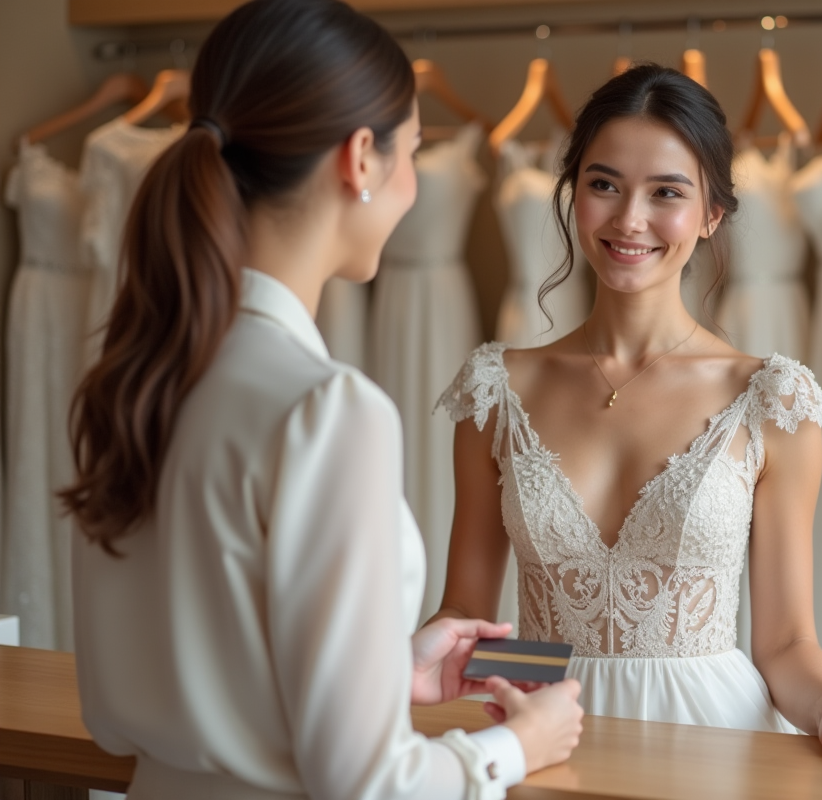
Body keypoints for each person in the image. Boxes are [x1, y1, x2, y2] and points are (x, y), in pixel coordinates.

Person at [60, 1, 582, 798]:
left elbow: (173, 663)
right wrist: (518, 746)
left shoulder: (135, 379)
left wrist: (379, 666)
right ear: (360, 158)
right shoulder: (327, 410)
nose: (410, 182)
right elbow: (367, 784)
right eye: (412, 150)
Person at [435, 64, 822, 767]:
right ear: (574, 195)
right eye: (604, 184)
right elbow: (466, 617)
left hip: (713, 744)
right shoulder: (496, 390)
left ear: (711, 215)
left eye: (666, 193)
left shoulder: (771, 401)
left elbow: (786, 642)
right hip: (543, 739)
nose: (629, 219)